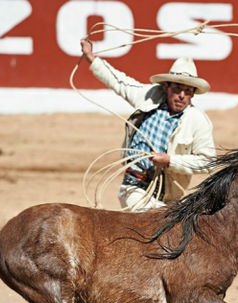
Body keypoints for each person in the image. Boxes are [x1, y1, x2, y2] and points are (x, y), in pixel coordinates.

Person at [80, 38, 216, 210]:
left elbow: (207, 161)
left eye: (187, 91)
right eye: (177, 88)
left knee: (161, 226)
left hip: (169, 196)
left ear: (192, 95)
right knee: (149, 221)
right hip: (134, 184)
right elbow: (120, 82)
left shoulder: (198, 120)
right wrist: (91, 57)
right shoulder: (149, 96)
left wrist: (170, 161)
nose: (181, 95)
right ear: (167, 87)